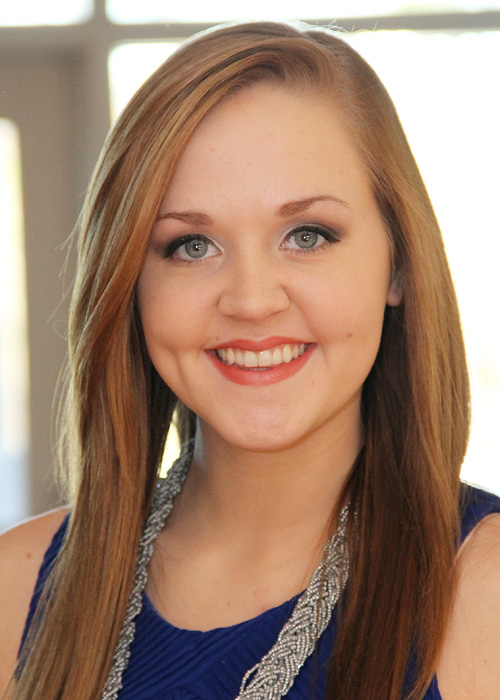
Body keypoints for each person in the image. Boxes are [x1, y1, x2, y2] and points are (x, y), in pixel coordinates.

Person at [0, 19, 499, 700]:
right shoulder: (15, 589)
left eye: (307, 235)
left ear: (399, 263)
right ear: (130, 285)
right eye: (191, 246)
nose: (252, 301)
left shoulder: (483, 591)